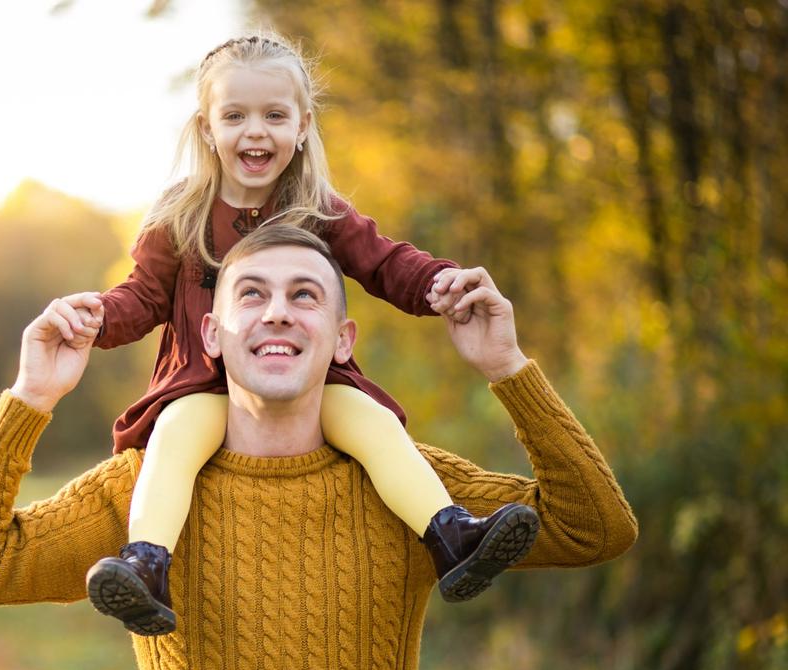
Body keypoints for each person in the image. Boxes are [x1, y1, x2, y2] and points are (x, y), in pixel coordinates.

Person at [0, 226, 637, 670]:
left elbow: (594, 529)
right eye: (252, 294)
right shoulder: (141, 496)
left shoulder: (410, 487)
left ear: (342, 338)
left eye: (305, 295)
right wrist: (30, 398)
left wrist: (507, 368)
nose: (278, 315)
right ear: (212, 335)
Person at [81, 32, 535, 636]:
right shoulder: (180, 216)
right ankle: (147, 563)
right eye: (235, 116)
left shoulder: (319, 210)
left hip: (307, 383)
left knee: (371, 422)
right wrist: (96, 319)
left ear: (301, 126)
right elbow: (140, 298)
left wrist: (443, 282)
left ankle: (451, 535)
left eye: (274, 115)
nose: (256, 132)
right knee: (173, 437)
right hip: (199, 383)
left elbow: (384, 262)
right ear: (207, 128)